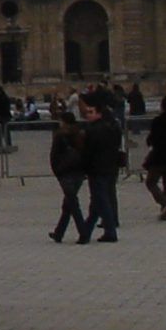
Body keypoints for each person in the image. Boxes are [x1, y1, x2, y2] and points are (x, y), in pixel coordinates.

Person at [78, 99, 123, 243]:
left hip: (97, 169)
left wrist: (83, 168)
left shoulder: (93, 130)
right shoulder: (112, 128)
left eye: (91, 112)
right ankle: (86, 231)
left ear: (99, 113)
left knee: (101, 200)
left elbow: (88, 152)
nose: (87, 115)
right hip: (110, 167)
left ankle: (110, 231)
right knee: (98, 201)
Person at [46, 111, 89, 243]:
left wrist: (57, 172)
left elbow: (54, 156)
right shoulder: (81, 134)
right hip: (79, 172)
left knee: (73, 204)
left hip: (65, 173)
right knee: (68, 204)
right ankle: (59, 233)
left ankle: (84, 233)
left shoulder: (60, 136)